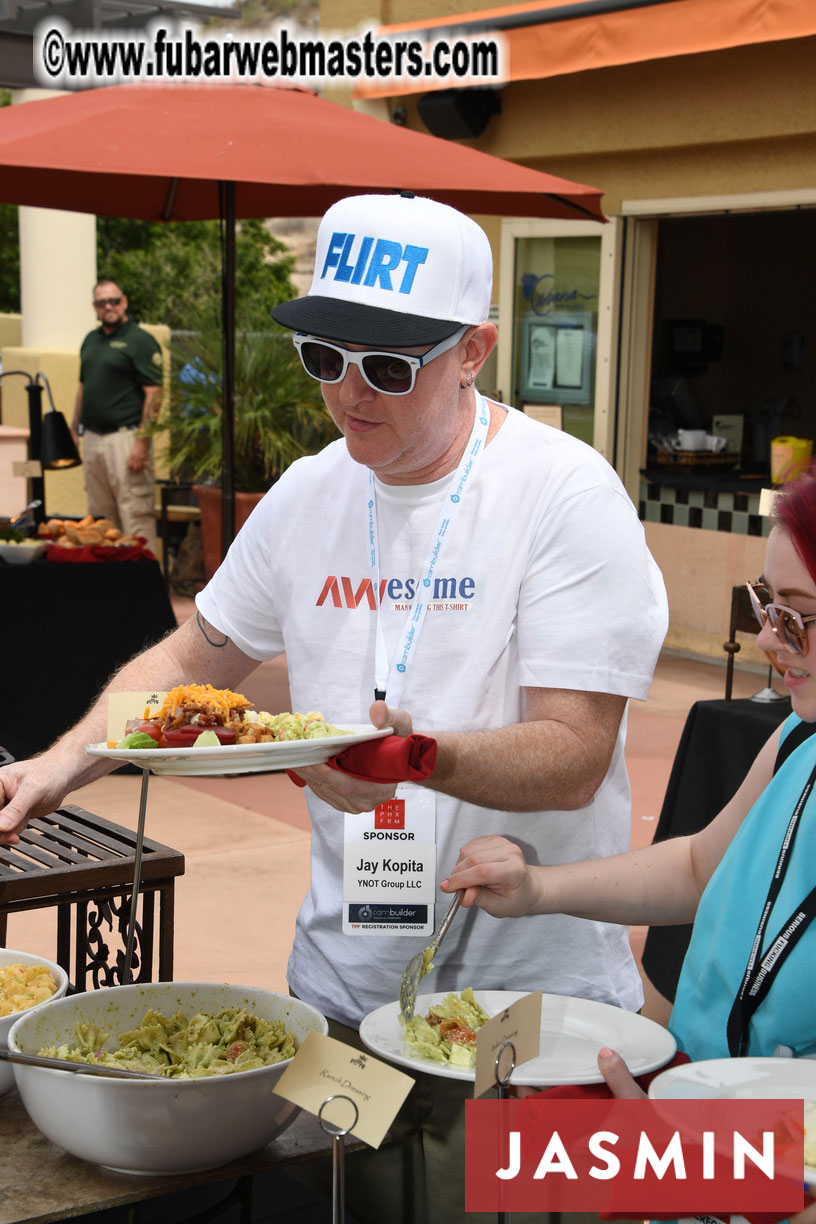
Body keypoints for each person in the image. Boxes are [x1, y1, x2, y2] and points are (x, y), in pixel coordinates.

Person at [0, 193, 667, 1223]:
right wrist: (63, 763)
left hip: (521, 1011)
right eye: (326, 357)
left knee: (474, 1208)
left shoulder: (564, 497)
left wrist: (408, 760)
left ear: (474, 351)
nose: (350, 393)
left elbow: (575, 752)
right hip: (337, 998)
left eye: (390, 367)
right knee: (334, 1202)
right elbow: (191, 653)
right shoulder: (312, 493)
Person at [442, 461, 816, 1104]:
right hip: (709, 1115)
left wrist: (690, 1150)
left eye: (797, 619)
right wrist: (538, 887)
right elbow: (701, 869)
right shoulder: (795, 741)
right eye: (766, 606)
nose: (765, 638)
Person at [71, 278, 164, 553]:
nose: (108, 307)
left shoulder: (140, 341)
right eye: (102, 303)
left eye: (114, 301)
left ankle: (143, 590)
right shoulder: (91, 340)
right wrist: (74, 431)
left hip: (126, 438)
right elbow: (83, 388)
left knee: (135, 515)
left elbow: (155, 393)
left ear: (124, 302)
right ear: (94, 307)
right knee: (100, 519)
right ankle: (107, 590)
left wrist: (141, 443)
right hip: (93, 438)